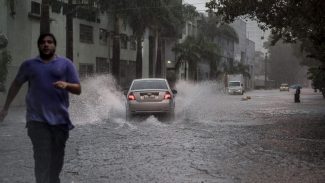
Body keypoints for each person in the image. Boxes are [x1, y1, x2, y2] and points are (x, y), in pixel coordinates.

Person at [0, 33, 81, 183]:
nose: (46, 44)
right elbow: (16, 84)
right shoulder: (29, 65)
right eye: (43, 42)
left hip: (60, 122)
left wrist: (66, 85)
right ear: (39, 46)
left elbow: (78, 89)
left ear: (54, 46)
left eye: (49, 42)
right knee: (42, 160)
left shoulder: (66, 64)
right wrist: (5, 108)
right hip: (36, 121)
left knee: (55, 166)